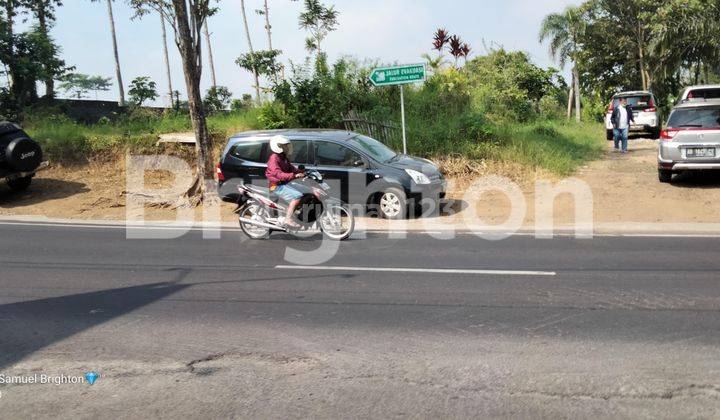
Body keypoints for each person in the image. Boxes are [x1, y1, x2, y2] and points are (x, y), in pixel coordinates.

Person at [266, 135, 305, 228]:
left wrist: (302, 172)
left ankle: (296, 212)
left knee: (307, 191)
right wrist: (293, 175)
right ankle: (288, 219)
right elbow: (277, 173)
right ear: (278, 146)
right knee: (297, 196)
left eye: (287, 145)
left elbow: (291, 168)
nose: (287, 147)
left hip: (284, 183)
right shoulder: (274, 158)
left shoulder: (283, 157)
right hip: (275, 185)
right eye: (284, 146)